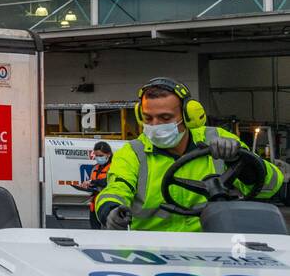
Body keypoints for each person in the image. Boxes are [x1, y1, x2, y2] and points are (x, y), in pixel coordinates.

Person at [93, 78, 288, 232]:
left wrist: (239, 161)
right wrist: (110, 210)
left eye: (165, 117)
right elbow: (116, 189)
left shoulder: (217, 139)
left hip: (213, 249)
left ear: (188, 116)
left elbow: (271, 186)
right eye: (148, 118)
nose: (155, 125)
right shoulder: (132, 153)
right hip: (150, 253)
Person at [73, 141, 113, 229]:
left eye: (101, 155)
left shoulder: (114, 167)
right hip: (94, 205)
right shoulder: (95, 167)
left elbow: (109, 181)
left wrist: (93, 182)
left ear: (108, 154)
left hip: (107, 205)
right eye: (96, 155)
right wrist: (87, 185)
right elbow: (94, 181)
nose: (98, 158)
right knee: (95, 231)